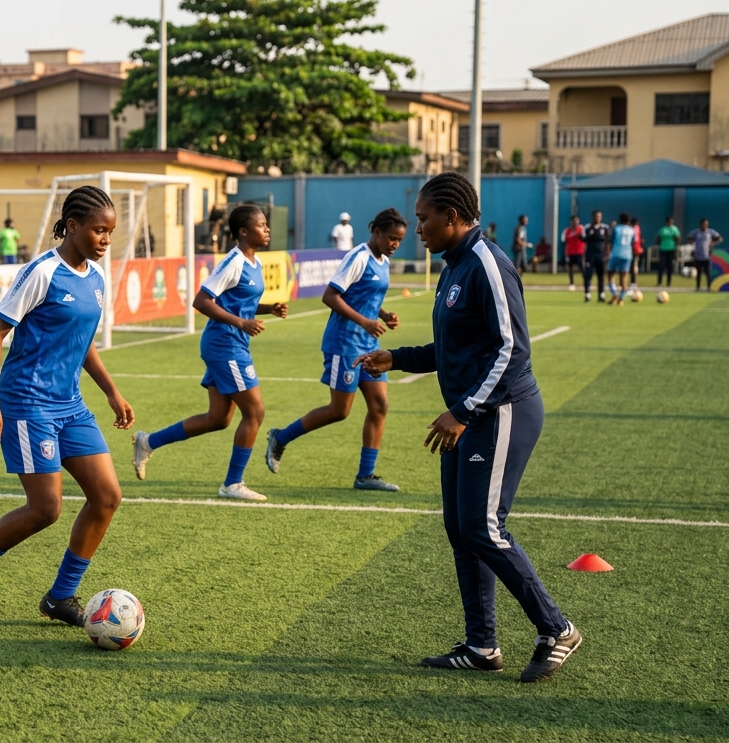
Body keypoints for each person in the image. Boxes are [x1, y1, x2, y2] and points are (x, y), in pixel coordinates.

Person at [355, 171, 581, 684]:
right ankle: (482, 645)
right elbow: (453, 349)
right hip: (473, 414)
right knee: (461, 529)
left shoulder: (486, 264)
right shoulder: (454, 266)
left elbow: (512, 350)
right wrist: (397, 357)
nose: (418, 229)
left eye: (424, 219)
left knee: (484, 526)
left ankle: (557, 629)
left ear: (453, 217)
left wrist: (462, 411)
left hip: (502, 411)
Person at [0, 186, 135, 629]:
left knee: (106, 496)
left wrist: (111, 391)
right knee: (45, 508)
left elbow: (81, 346)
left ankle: (61, 596)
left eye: (110, 232)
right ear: (72, 226)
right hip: (27, 403)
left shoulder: (96, 279)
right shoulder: (42, 272)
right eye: (99, 230)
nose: (106, 239)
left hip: (71, 405)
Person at [131, 205, 289, 502]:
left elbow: (235, 302)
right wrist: (240, 322)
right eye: (262, 225)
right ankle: (232, 484)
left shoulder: (253, 262)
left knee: (218, 418)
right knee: (255, 412)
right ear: (243, 231)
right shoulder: (233, 262)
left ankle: (147, 442)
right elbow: (202, 301)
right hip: (224, 344)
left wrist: (268, 308)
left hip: (231, 342)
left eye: (267, 225)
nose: (267, 229)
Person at [263, 208, 406, 492]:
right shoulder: (358, 257)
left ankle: (366, 475)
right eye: (391, 238)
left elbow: (365, 297)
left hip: (368, 342)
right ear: (376, 232)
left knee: (380, 406)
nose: (395, 244)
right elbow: (331, 296)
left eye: (399, 240)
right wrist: (365, 321)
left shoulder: (383, 260)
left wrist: (384, 314)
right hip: (345, 343)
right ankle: (280, 437)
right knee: (340, 410)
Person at [607, 212, 636, 305]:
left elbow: (611, 240)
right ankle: (621, 299)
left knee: (610, 273)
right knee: (623, 277)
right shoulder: (632, 230)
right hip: (627, 255)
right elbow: (633, 242)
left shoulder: (617, 229)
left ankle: (614, 293)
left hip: (616, 253)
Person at [581, 210, 610, 302]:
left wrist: (607, 254)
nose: (597, 218)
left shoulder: (605, 228)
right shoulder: (588, 228)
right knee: (588, 275)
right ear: (592, 217)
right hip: (590, 255)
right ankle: (587, 294)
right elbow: (583, 239)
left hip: (600, 254)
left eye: (599, 216)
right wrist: (590, 235)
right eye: (596, 216)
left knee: (601, 275)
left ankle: (601, 294)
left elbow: (607, 242)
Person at [687, 218, 722, 291]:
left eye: (706, 224)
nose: (705, 226)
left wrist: (713, 242)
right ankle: (698, 287)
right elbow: (689, 237)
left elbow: (719, 238)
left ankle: (709, 287)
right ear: (700, 225)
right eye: (703, 224)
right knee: (698, 272)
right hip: (698, 255)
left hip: (707, 256)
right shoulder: (696, 232)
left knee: (708, 272)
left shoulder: (710, 232)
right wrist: (691, 242)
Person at [656, 216, 680, 287]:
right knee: (661, 265)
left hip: (671, 250)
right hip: (663, 249)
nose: (670, 222)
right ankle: (659, 282)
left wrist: (676, 250)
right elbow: (658, 239)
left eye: (671, 221)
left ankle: (668, 283)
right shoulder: (663, 230)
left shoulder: (674, 229)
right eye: (669, 221)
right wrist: (660, 243)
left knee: (670, 266)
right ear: (666, 222)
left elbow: (677, 239)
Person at [562, 215, 585, 291]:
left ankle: (586, 282)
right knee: (570, 268)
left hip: (579, 252)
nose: (575, 222)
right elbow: (564, 241)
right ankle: (572, 283)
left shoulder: (581, 229)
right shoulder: (567, 230)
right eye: (573, 220)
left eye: (576, 220)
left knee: (582, 268)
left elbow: (585, 239)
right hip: (570, 252)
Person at [629, 216, 644, 293]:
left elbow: (635, 241)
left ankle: (633, 284)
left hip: (634, 250)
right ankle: (634, 284)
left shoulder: (633, 229)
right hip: (636, 250)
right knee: (634, 267)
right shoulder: (637, 228)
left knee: (633, 267)